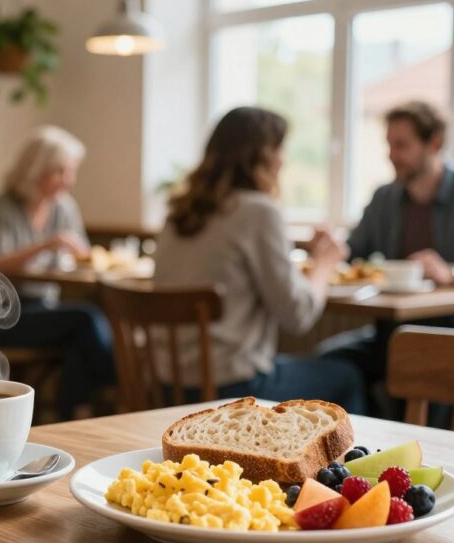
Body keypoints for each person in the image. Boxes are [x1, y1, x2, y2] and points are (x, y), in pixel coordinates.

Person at [152, 106, 366, 413]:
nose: (284, 160)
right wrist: (324, 263)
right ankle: (347, 463)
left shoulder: (178, 213)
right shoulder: (259, 211)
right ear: (262, 155)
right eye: (280, 149)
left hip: (167, 384)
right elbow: (298, 315)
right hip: (233, 389)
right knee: (346, 376)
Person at [319, 101, 454, 398]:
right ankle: (367, 442)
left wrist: (451, 272)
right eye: (389, 145)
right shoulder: (385, 198)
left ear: (434, 143)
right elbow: (353, 251)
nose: (391, 155)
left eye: (401, 145)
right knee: (331, 362)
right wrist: (328, 249)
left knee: (424, 373)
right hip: (398, 332)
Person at [0, 126, 115, 420]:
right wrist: (46, 245)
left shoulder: (64, 208)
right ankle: (118, 380)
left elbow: (82, 258)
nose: (69, 181)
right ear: (36, 169)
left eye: (71, 172)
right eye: (61, 172)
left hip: (44, 310)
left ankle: (72, 416)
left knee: (79, 338)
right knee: (85, 319)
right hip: (0, 316)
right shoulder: (1, 208)